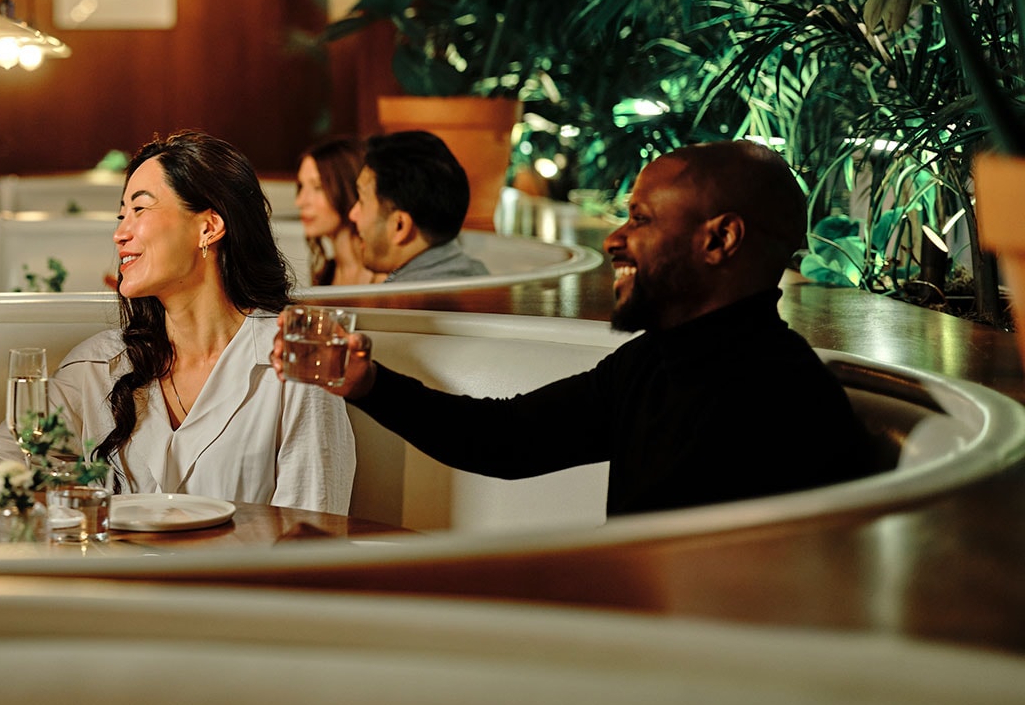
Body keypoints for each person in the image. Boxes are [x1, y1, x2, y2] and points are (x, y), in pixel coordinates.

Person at [275, 140, 867, 515]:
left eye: (639, 219)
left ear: (720, 238)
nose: (614, 240)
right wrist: (367, 383)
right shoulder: (656, 363)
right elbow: (506, 438)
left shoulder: (779, 400)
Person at [0, 130, 355, 514]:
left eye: (140, 208)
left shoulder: (297, 363)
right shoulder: (105, 365)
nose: (120, 233)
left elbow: (314, 531)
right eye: (120, 215)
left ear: (209, 227)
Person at [348, 130, 491, 282]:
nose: (353, 214)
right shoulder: (481, 279)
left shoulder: (399, 301)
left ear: (400, 226)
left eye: (362, 201)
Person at [294, 136, 376, 286]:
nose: (300, 201)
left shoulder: (383, 276)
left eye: (318, 187)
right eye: (301, 187)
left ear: (348, 189)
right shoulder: (325, 273)